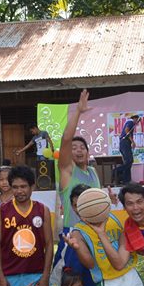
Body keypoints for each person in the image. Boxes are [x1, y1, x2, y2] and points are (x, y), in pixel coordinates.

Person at [58, 90, 102, 229]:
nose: (78, 150)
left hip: (94, 230)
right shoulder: (68, 170)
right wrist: (78, 111)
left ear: (88, 153)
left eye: (82, 147)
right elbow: (66, 139)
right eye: (74, 147)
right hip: (73, 230)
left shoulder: (93, 171)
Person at [116, 113, 140, 186]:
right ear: (135, 118)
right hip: (125, 142)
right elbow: (127, 131)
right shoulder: (131, 122)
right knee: (130, 161)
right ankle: (116, 171)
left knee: (128, 163)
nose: (137, 122)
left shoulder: (128, 122)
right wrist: (132, 141)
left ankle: (127, 180)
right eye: (137, 120)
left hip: (124, 143)